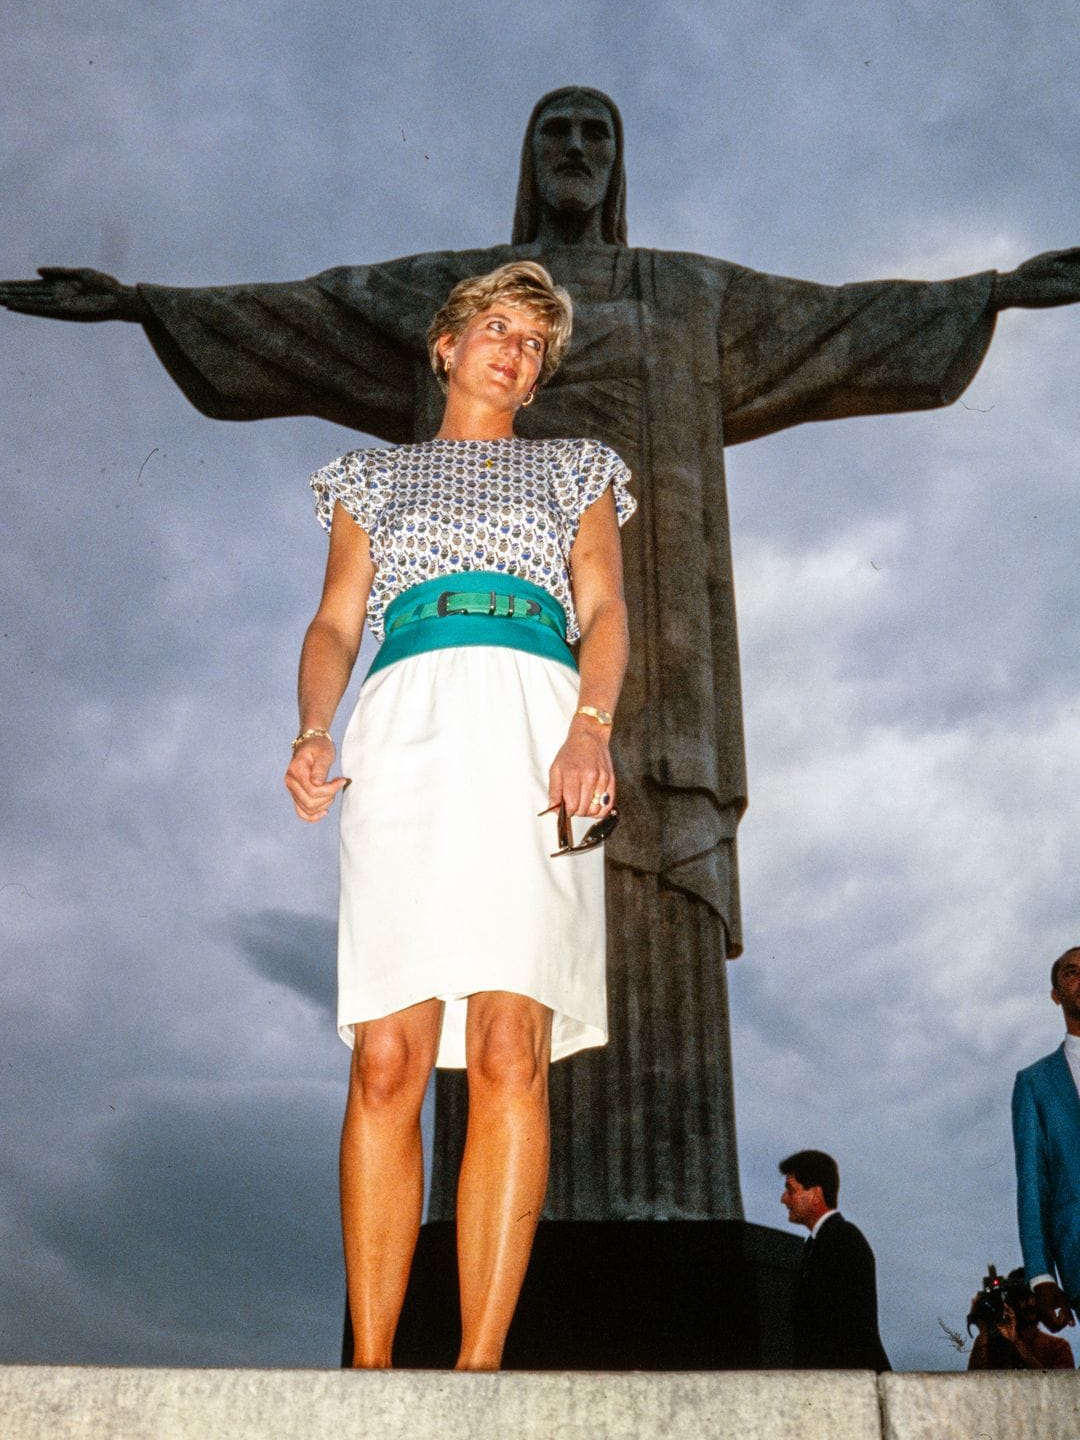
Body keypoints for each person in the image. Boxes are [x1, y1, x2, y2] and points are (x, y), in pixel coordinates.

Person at [5, 88, 1080, 1228]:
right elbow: (311, 315)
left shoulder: (688, 294)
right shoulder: (452, 292)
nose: (575, 150)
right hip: (468, 696)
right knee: (472, 968)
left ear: (620, 163)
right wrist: (142, 306)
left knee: (631, 901)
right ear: (526, 160)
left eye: (597, 132)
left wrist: (993, 291)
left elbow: (838, 323)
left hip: (649, 658)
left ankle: (668, 1222)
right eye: (555, 131)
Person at [284, 258, 634, 1369]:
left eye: (535, 344)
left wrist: (592, 726)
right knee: (386, 1055)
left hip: (538, 722)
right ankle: (374, 1375)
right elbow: (338, 622)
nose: (515, 351)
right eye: (496, 327)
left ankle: (478, 1377)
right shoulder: (368, 478)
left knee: (507, 1050)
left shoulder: (579, 467)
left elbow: (608, 607)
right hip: (408, 723)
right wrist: (311, 728)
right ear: (445, 346)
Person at [1012, 944, 1080, 1336]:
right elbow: (1033, 1184)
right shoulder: (1035, 1083)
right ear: (1056, 996)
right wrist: (1041, 1277)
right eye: (1071, 972)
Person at [779, 1149, 891, 1370]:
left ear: (815, 1194)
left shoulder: (842, 1241)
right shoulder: (821, 1243)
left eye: (790, 1190)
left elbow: (844, 1331)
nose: (784, 1199)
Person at [966, 1267, 1074, 1370]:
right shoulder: (993, 1346)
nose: (1030, 1303)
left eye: (1036, 1297)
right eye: (1023, 1296)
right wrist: (984, 1330)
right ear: (1012, 1299)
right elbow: (973, 1381)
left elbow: (1057, 1386)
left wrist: (1016, 1343)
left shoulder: (1058, 1348)